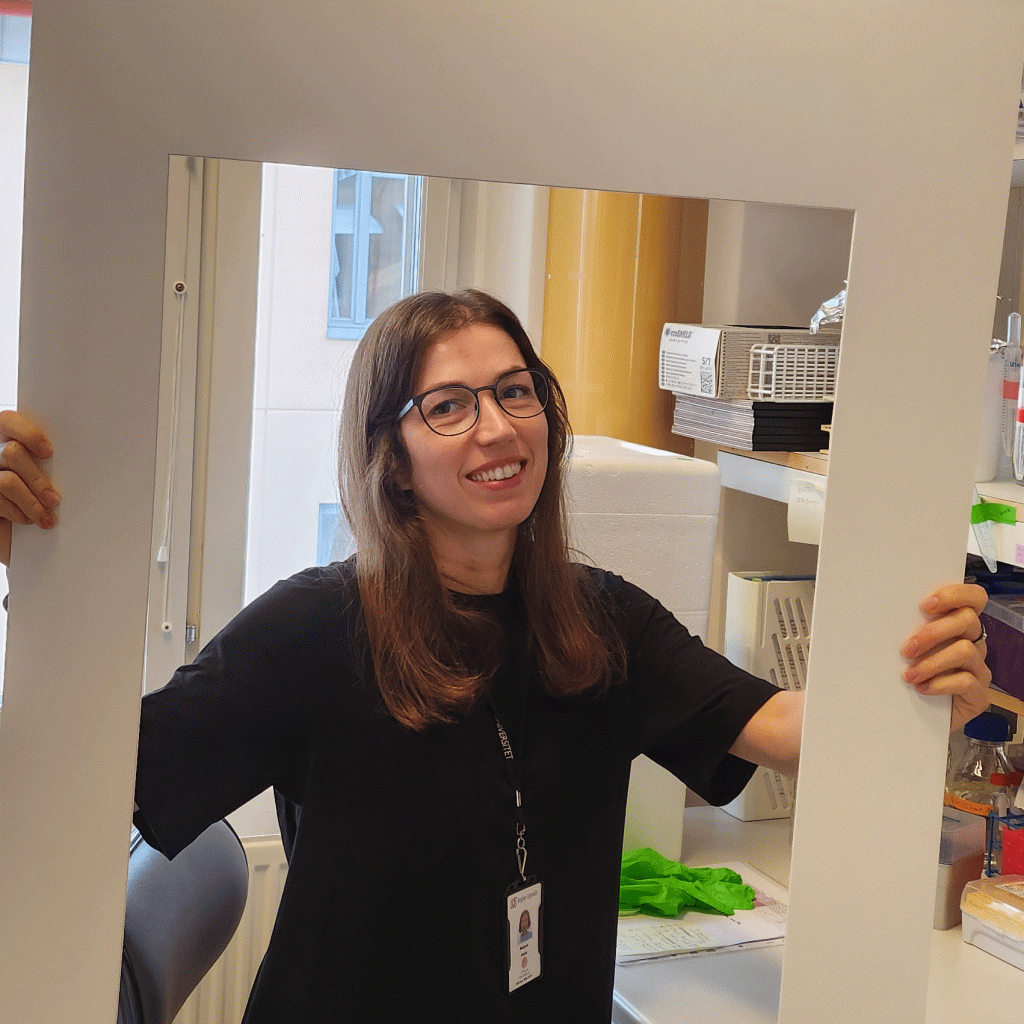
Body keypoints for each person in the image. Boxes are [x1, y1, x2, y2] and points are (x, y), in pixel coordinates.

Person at [0, 290, 992, 1022]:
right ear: (391, 458)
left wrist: (919, 693)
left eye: (516, 392)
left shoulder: (599, 620)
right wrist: (30, 588)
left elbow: (780, 727)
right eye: (448, 405)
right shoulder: (314, 629)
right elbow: (78, 781)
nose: (498, 426)